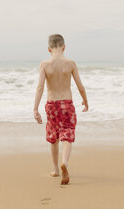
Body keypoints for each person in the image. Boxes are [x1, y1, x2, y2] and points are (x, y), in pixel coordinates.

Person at [33, 34, 89, 185]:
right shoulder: (70, 63)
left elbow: (39, 88)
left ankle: (56, 169)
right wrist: (85, 101)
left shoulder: (45, 64)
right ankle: (65, 162)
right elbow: (80, 86)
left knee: (54, 138)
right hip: (67, 104)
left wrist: (35, 109)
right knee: (67, 134)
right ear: (64, 47)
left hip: (52, 104)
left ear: (48, 49)